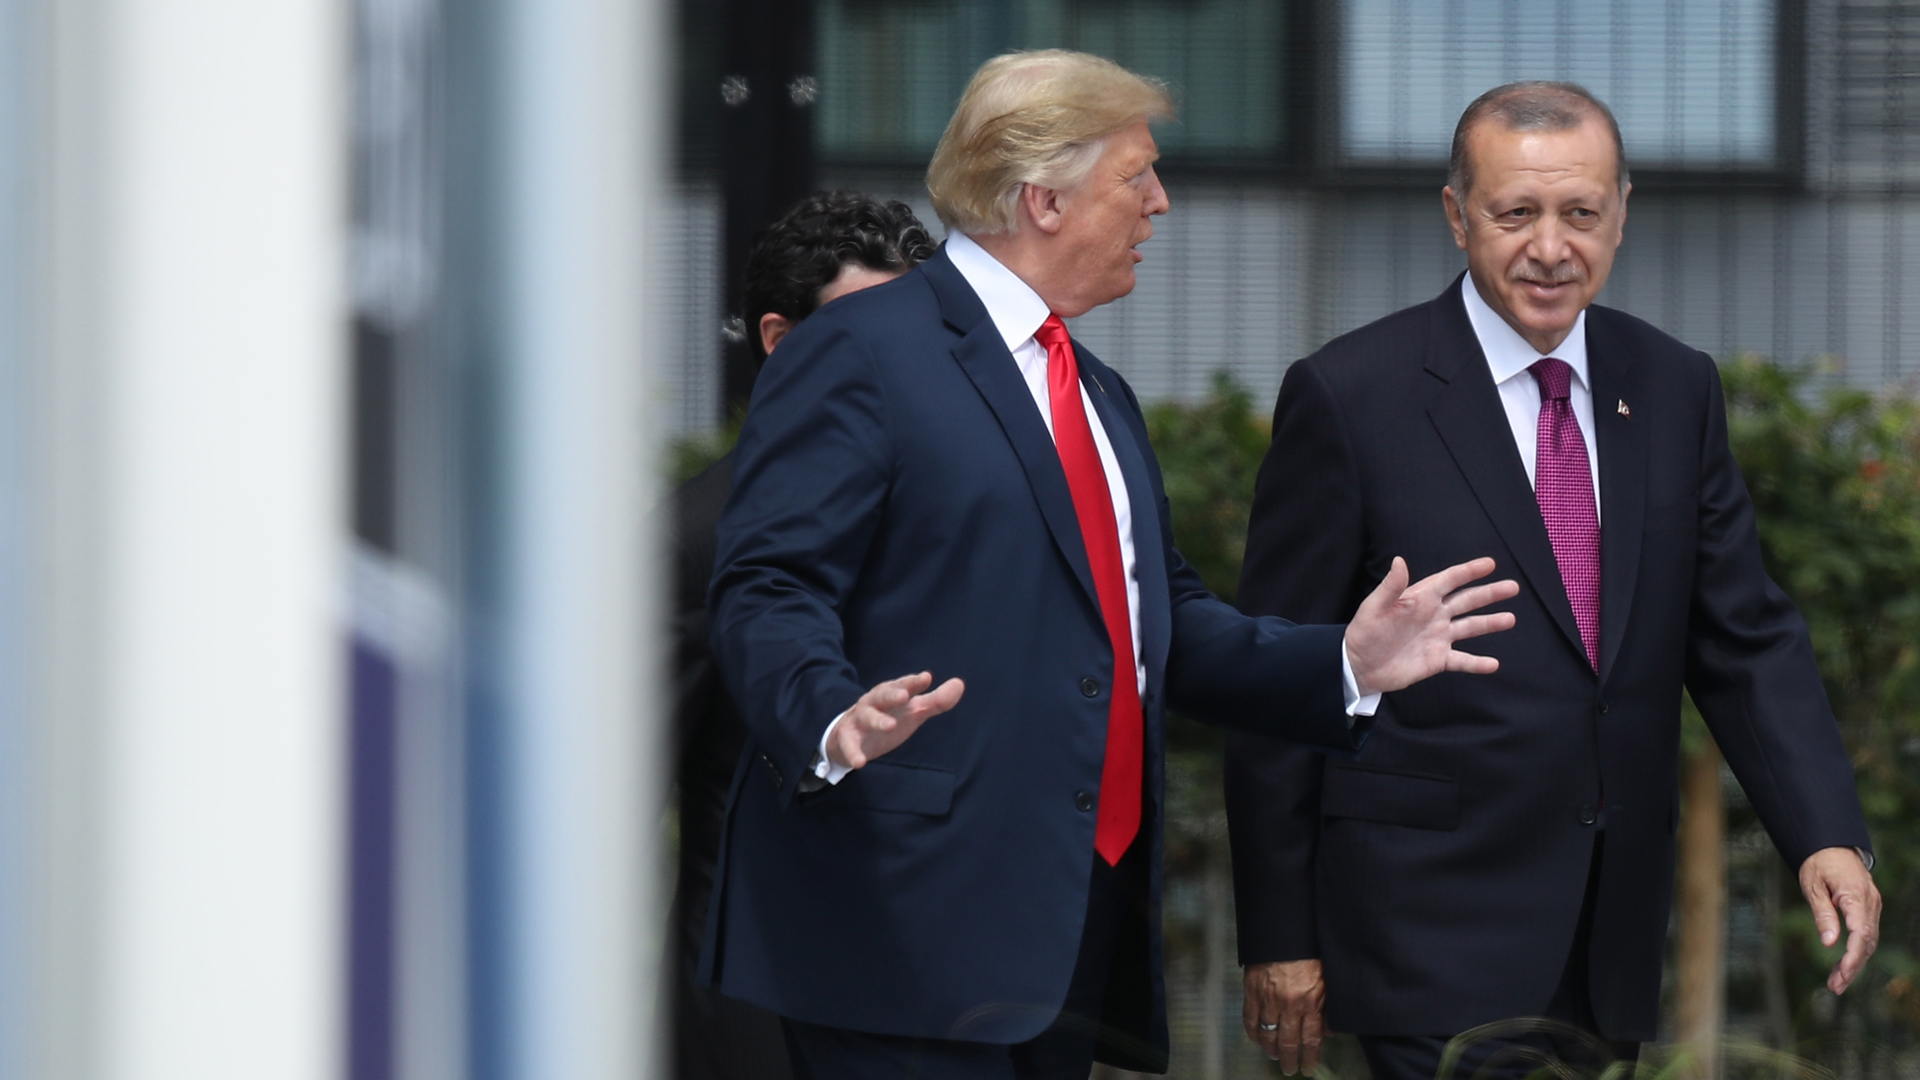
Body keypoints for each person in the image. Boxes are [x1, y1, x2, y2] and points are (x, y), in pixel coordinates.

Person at [699, 50, 1520, 1080]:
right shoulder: (859, 348)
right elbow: (768, 583)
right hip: (896, 923)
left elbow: (1154, 616)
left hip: (1069, 929)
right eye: (1137, 176)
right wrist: (827, 712)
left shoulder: (1097, 390)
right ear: (1041, 196)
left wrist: (1343, 664)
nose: (1160, 203)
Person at [1224, 81, 1882, 1080]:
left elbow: (1743, 635)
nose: (1550, 247)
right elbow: (1276, 681)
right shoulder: (1352, 397)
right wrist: (1278, 935)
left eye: (1581, 214)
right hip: (1426, 927)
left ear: (1621, 214)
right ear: (1456, 216)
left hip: (1609, 931)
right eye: (1514, 213)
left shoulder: (1672, 386)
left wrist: (1825, 833)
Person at [662, 190, 935, 1080]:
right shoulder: (694, 535)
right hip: (760, 1014)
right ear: (780, 340)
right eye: (870, 328)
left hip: (945, 996)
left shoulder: (957, 514)